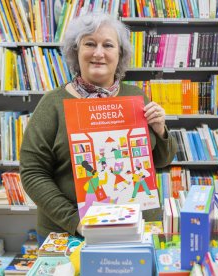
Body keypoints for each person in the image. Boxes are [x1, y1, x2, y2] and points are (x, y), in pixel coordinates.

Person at [20, 12, 177, 245]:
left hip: (136, 227)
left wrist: (160, 130)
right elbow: (33, 173)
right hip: (71, 232)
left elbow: (162, 161)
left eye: (108, 45)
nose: (99, 53)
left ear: (119, 54)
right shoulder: (52, 103)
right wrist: (75, 221)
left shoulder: (136, 97)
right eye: (90, 44)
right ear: (76, 51)